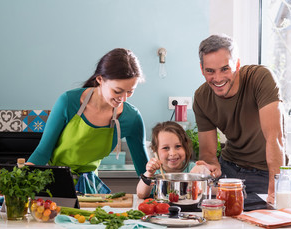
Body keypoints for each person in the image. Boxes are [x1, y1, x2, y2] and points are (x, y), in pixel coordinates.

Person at [27, 48, 149, 194]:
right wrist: (21, 181)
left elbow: (145, 171)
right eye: (117, 91)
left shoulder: (131, 118)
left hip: (89, 188)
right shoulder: (68, 102)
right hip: (54, 182)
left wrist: (159, 201)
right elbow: (42, 152)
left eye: (130, 91)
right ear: (100, 79)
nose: (123, 98)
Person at [193, 34, 291, 205]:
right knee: (206, 209)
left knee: (264, 218)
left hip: (264, 172)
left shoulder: (260, 78)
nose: (217, 79)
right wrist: (212, 168)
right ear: (202, 69)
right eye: (210, 71)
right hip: (228, 168)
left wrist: (276, 188)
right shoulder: (202, 97)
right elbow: (209, 154)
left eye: (225, 69)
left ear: (237, 64)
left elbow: (275, 138)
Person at [137, 121, 210, 199]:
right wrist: (149, 173)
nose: (173, 153)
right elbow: (141, 194)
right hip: (162, 209)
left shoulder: (193, 168)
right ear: (155, 151)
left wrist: (204, 172)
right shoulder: (156, 172)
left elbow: (211, 191)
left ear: (186, 147)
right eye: (165, 148)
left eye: (178, 146)